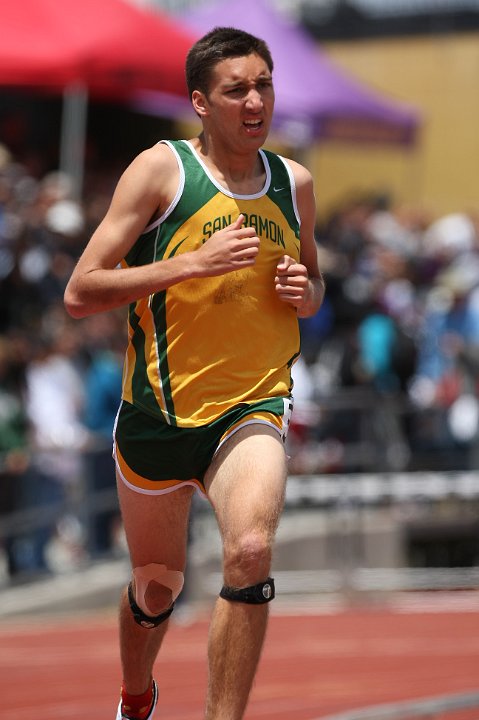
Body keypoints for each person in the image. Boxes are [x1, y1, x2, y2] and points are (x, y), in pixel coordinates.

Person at [64, 26, 325, 720]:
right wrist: (189, 264)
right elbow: (80, 290)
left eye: (263, 84)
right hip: (157, 415)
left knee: (248, 549)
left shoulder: (292, 183)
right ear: (200, 103)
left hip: (251, 408)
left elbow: (313, 282)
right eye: (235, 88)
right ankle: (134, 695)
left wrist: (308, 292)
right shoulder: (161, 171)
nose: (254, 100)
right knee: (156, 587)